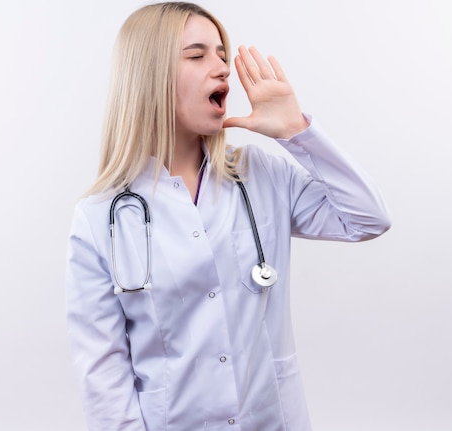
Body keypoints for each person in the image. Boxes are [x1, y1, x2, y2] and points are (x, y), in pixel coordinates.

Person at [65, 2, 391, 430]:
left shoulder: (261, 174)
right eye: (197, 55)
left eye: (222, 54)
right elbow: (103, 372)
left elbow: (367, 218)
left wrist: (296, 130)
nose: (221, 68)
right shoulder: (100, 216)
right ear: (149, 75)